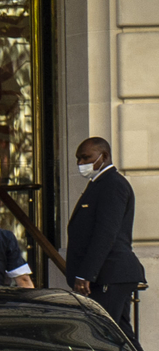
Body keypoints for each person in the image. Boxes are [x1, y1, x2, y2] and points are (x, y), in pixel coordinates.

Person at [66, 136, 144, 324]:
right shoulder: (99, 184)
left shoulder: (112, 184)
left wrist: (86, 274)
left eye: (85, 158)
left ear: (105, 156)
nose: (80, 163)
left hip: (108, 274)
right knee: (121, 338)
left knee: (103, 334)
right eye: (78, 159)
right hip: (107, 275)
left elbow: (105, 233)